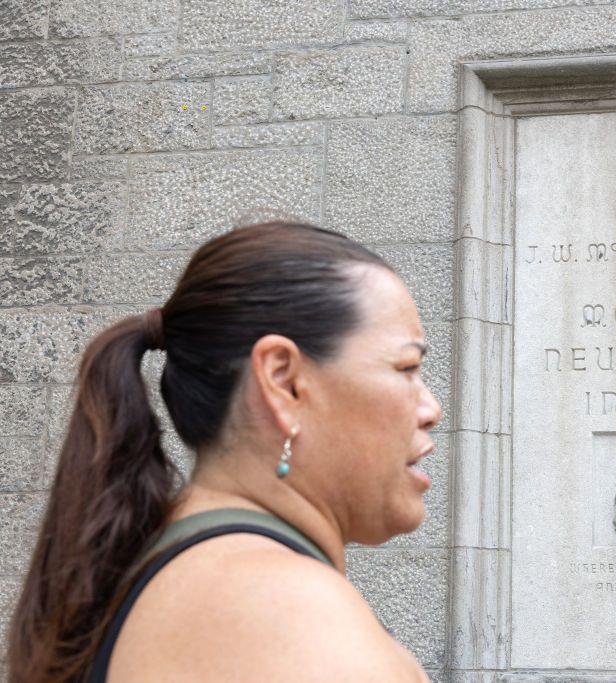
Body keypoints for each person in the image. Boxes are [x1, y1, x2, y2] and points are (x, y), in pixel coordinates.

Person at [5, 221, 442, 682]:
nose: (431, 408)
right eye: (407, 367)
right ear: (283, 382)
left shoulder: (169, 570)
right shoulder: (285, 611)